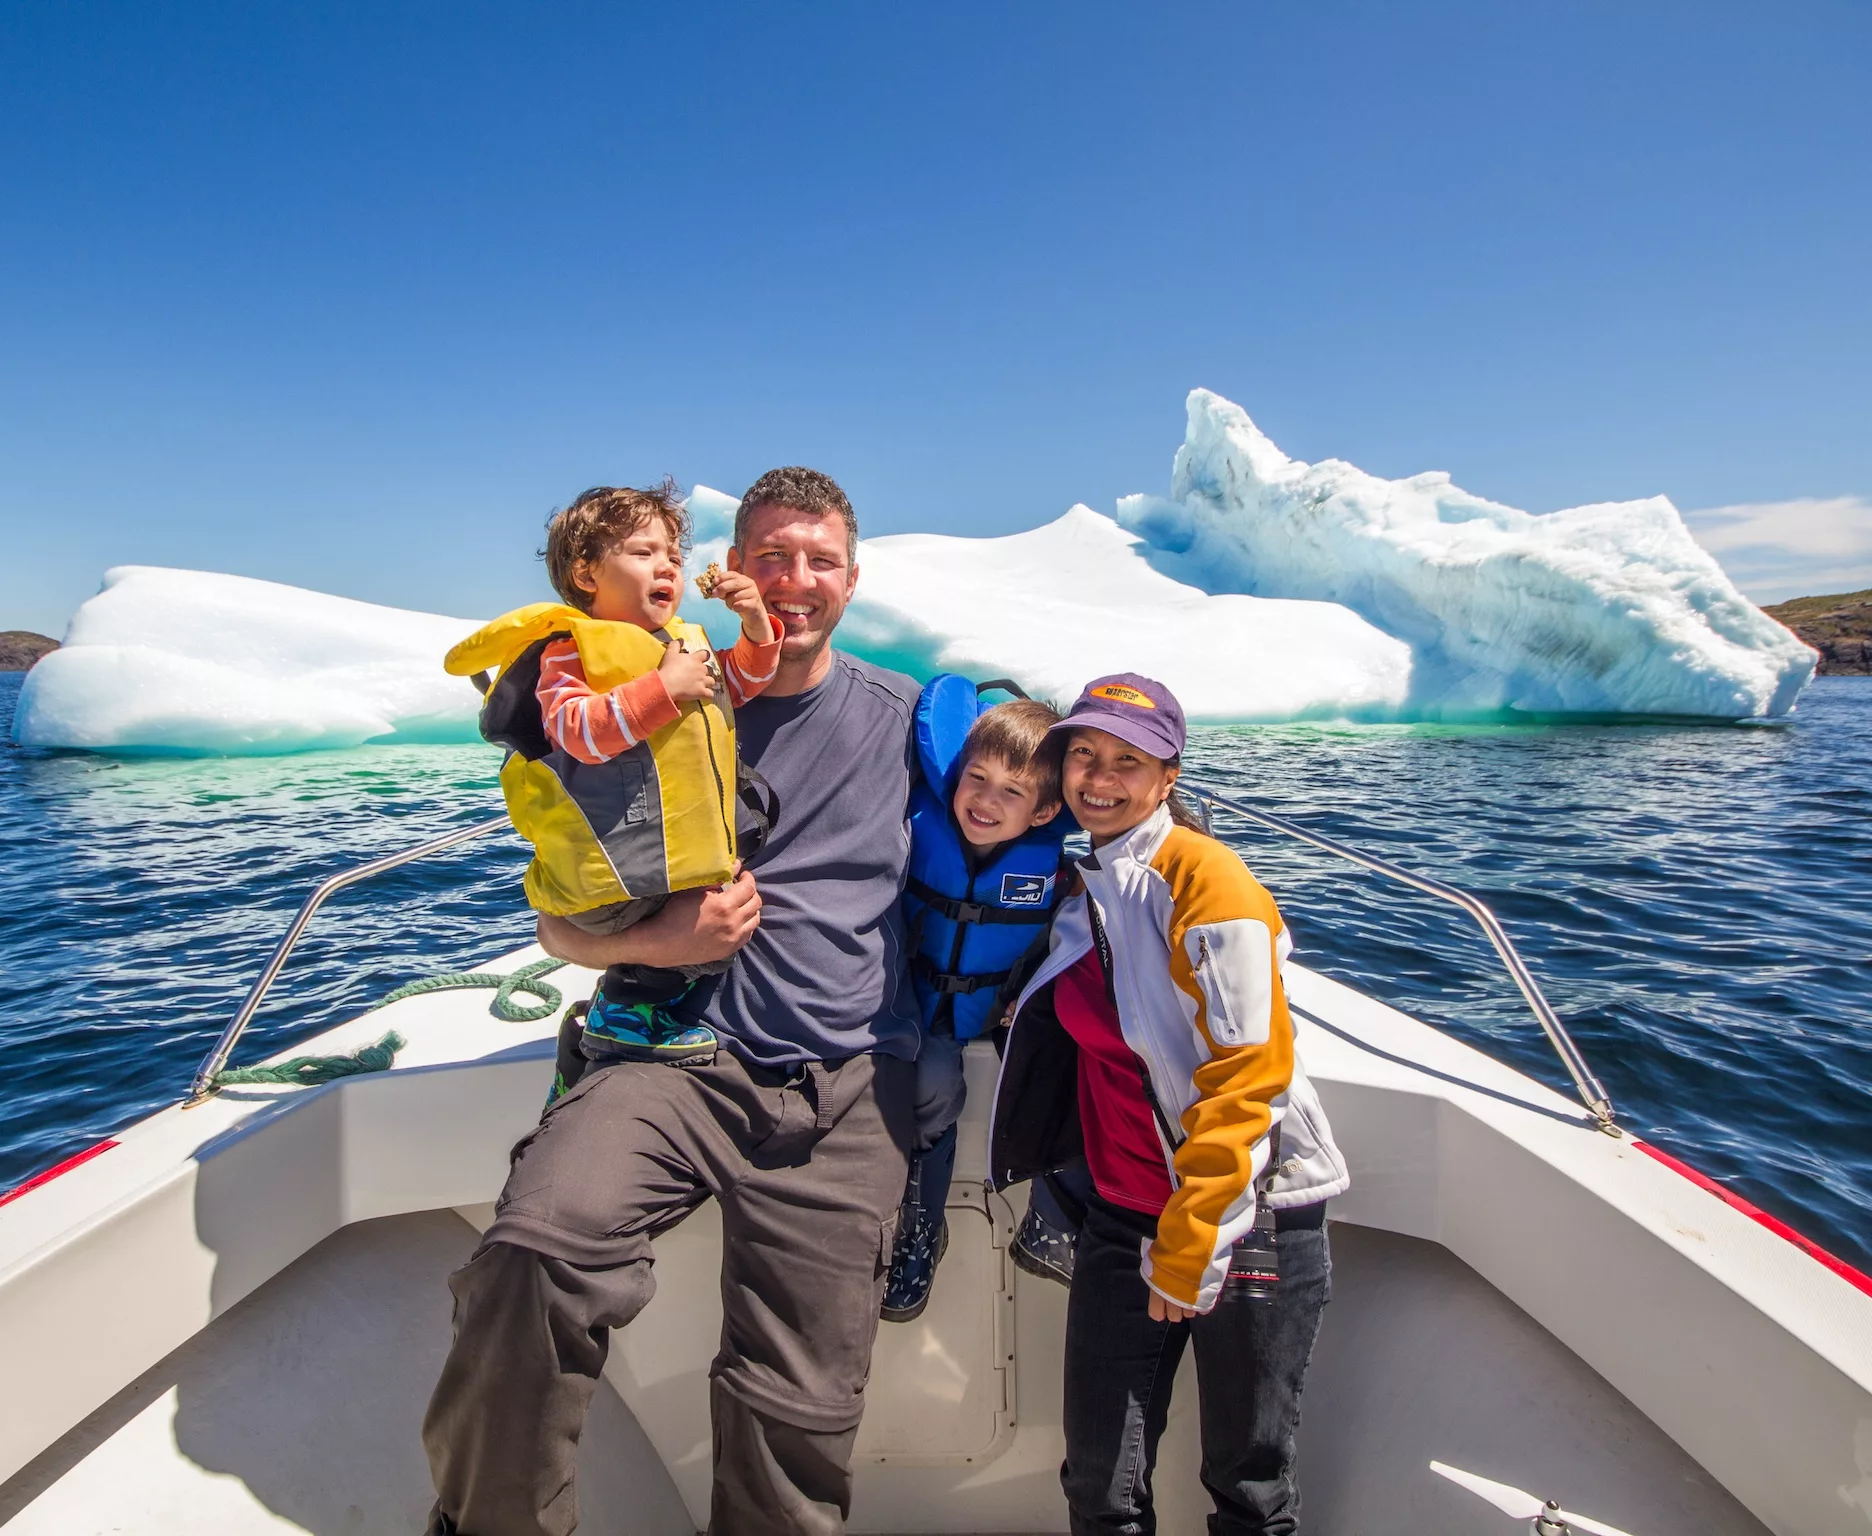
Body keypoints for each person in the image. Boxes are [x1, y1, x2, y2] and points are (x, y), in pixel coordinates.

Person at [421, 468, 923, 1536]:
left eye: (819, 561)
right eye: (770, 558)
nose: (794, 581)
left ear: (852, 579)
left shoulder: (908, 723)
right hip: (668, 1056)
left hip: (843, 1087)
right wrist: (664, 942)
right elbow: (558, 925)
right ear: (731, 571)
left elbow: (1049, 801)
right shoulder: (644, 698)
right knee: (530, 1260)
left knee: (800, 1403)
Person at [985, 672, 1350, 1535]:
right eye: (1083, 754)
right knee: (1099, 1487)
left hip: (1246, 1213)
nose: (1100, 778)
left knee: (1249, 1491)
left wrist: (1194, 1238)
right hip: (1123, 1215)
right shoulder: (1086, 884)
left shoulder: (1204, 878)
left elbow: (1247, 1072)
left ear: (1168, 777)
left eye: (1128, 761)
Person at [442, 481, 781, 1067]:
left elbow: (743, 682)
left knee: (724, 919)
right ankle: (621, 1015)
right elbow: (577, 730)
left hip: (659, 866)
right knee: (709, 934)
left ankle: (643, 1010)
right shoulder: (571, 650)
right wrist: (663, 689)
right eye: (643, 552)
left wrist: (755, 622)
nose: (667, 566)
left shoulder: (681, 646)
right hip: (617, 882)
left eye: (673, 556)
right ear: (586, 573)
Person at [883, 680, 1072, 1320]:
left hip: (1005, 1005)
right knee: (931, 1089)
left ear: (1044, 812)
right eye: (977, 778)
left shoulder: (1058, 869)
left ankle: (1055, 1218)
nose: (986, 801)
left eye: (1012, 792)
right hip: (917, 1003)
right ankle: (923, 1225)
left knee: (1073, 1071)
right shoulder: (915, 828)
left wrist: (1033, 993)